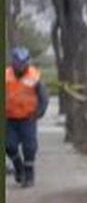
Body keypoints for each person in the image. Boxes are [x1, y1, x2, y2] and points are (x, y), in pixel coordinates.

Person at [6, 47, 49, 187]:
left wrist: (40, 111)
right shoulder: (6, 75)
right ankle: (18, 167)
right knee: (9, 145)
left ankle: (29, 175)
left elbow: (43, 96)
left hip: (28, 117)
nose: (20, 66)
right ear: (13, 62)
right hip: (9, 117)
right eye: (17, 63)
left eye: (23, 63)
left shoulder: (34, 76)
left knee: (29, 147)